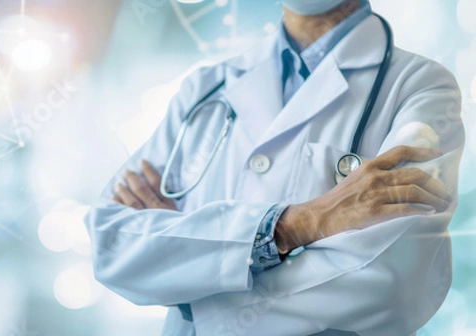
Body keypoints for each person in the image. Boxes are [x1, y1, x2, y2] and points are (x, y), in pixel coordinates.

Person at [84, 0, 465, 335]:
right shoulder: (204, 87)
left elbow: (391, 282)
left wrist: (188, 277)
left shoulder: (421, 88)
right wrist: (297, 224)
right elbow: (112, 243)